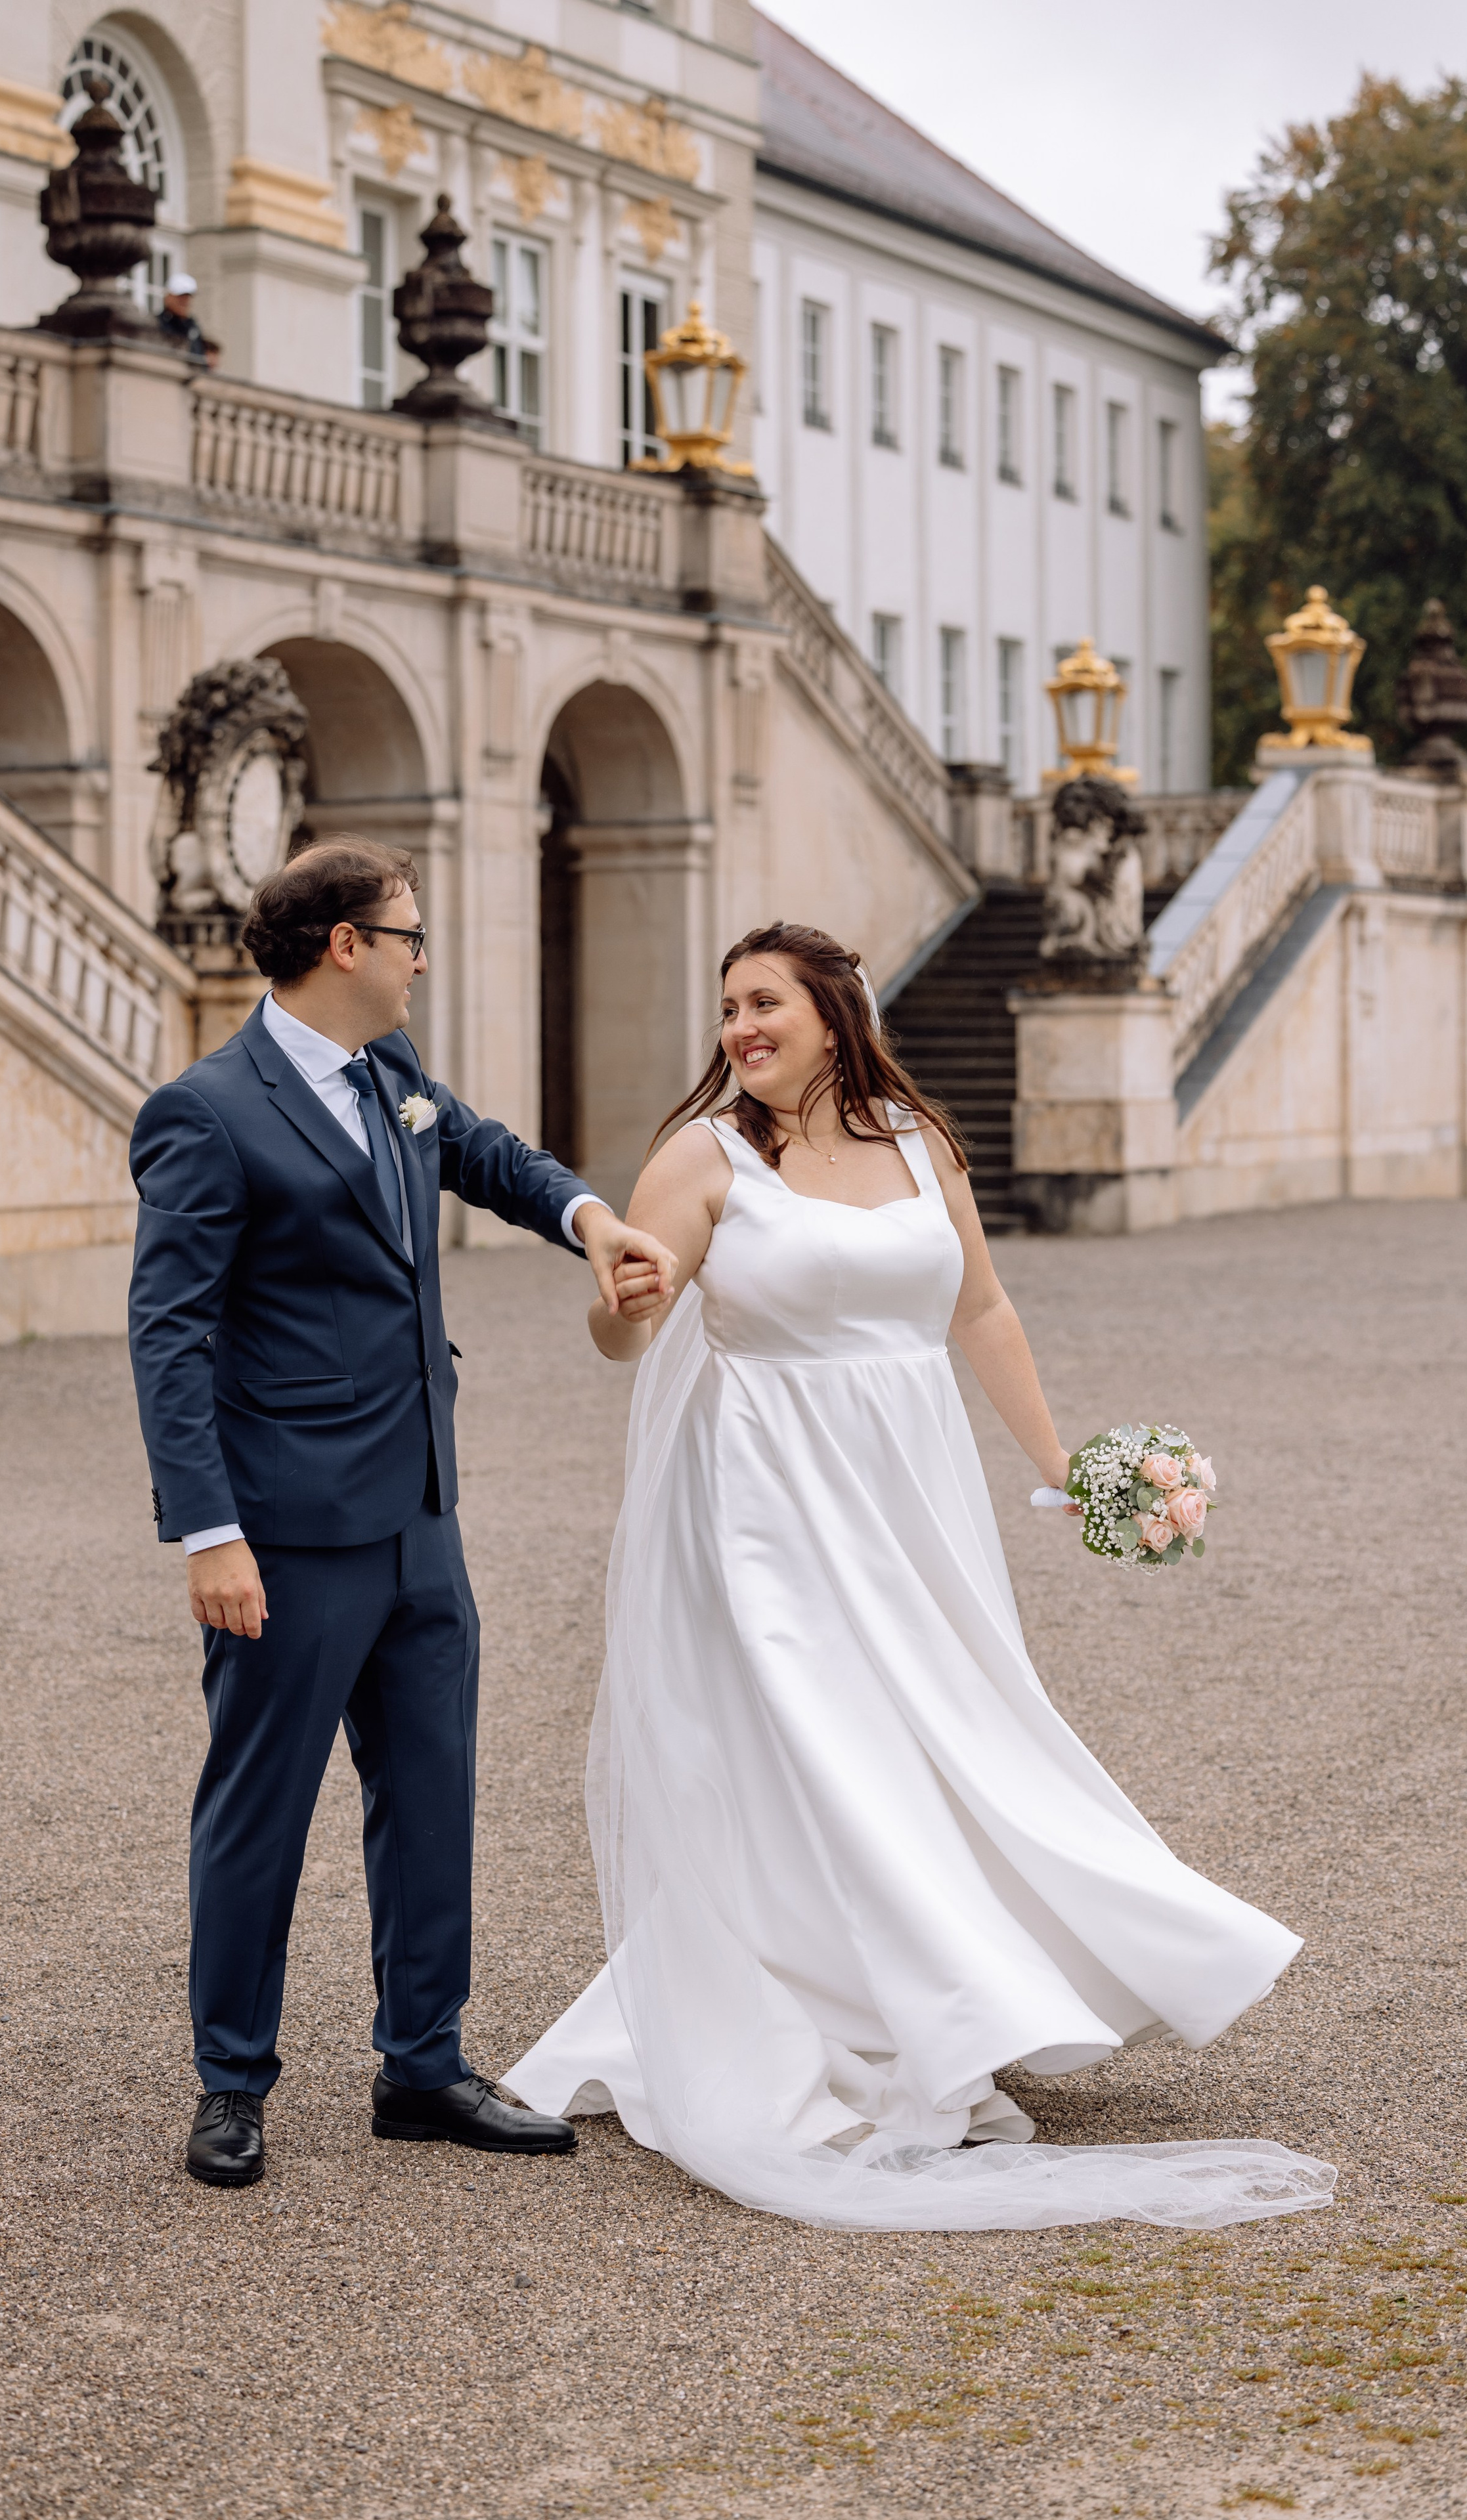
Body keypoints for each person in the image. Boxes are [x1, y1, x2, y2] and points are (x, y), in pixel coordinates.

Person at [508, 923, 1334, 2232]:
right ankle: (883, 2017)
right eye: (726, 1006)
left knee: (944, 1732)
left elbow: (980, 1309)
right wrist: (623, 1293)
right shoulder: (703, 1155)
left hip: (911, 1495)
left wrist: (1067, 1467)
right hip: (767, 1502)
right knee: (816, 1741)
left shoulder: (916, 1139)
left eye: (763, 1000)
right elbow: (624, 1328)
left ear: (834, 1010)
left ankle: (964, 1978)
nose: (739, 1026)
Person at [127, 837, 676, 2187]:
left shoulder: (391, 1075)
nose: (423, 953)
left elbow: (482, 1153)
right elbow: (167, 1333)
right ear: (343, 946)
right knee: (258, 1804)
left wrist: (590, 1219)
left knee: (430, 1792)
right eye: (409, 932)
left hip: (420, 1510)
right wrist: (208, 1532)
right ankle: (229, 2081)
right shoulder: (206, 1110)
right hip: (286, 1527)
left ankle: (422, 2061)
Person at [156, 272, 217, 367]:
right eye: (180, 297)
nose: (185, 301)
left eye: (188, 297)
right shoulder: (158, 323)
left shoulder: (193, 327)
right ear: (168, 297)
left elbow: (198, 356)